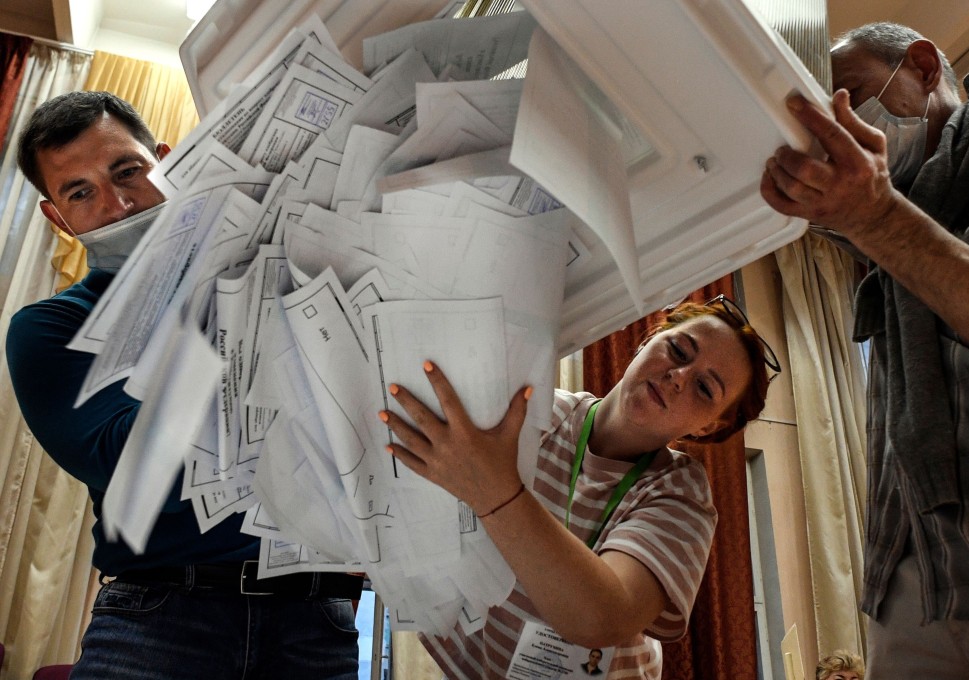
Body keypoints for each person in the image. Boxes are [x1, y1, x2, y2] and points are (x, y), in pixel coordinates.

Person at [8, 91, 362, 679]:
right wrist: (221, 296)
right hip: (159, 620)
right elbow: (129, 462)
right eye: (80, 192)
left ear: (166, 165)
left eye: (128, 172)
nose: (119, 205)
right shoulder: (51, 328)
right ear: (59, 218)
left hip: (314, 620)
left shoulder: (274, 270)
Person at [761, 21, 969, 680]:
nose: (837, 132)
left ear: (926, 67)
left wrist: (878, 219)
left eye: (852, 97)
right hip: (911, 580)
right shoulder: (877, 236)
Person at [379, 296, 777, 678]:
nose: (679, 377)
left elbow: (603, 616)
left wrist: (495, 491)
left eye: (705, 388)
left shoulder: (682, 494)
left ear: (709, 427)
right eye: (678, 350)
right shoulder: (539, 415)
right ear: (645, 340)